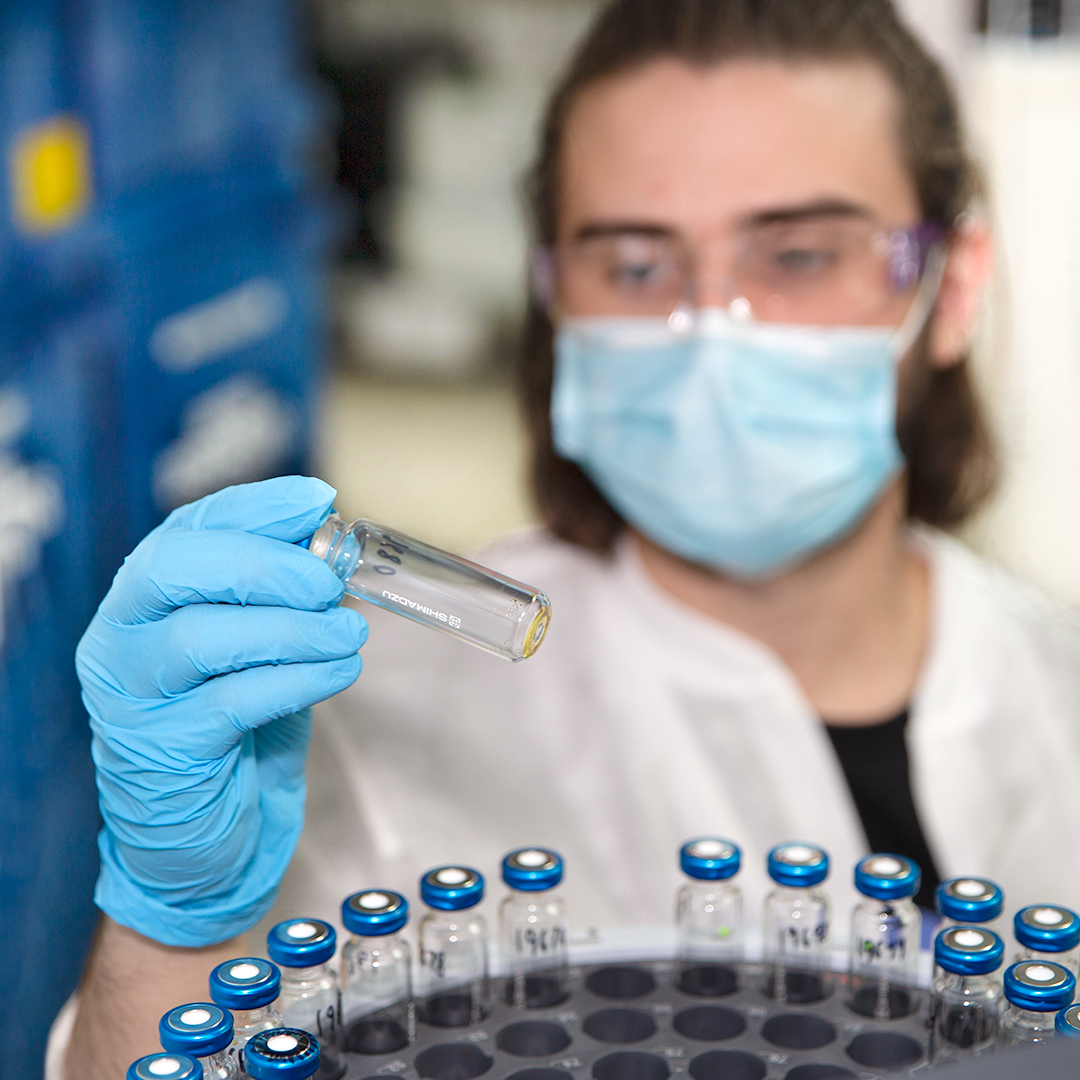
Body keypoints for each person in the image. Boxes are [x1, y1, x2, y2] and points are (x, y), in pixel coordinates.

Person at [59, 1, 1080, 1076]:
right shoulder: (364, 724)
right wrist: (179, 920)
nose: (711, 329)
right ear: (555, 302)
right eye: (635, 267)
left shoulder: (1059, 678)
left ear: (951, 287)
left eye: (799, 254)